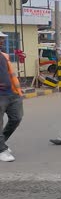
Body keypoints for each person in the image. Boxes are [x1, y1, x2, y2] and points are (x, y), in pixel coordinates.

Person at [0, 32, 23, 162]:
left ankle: (1, 144)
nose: (2, 40)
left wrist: (17, 92)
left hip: (12, 94)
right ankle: (1, 149)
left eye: (2, 38)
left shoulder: (4, 55)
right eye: (0, 38)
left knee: (16, 118)